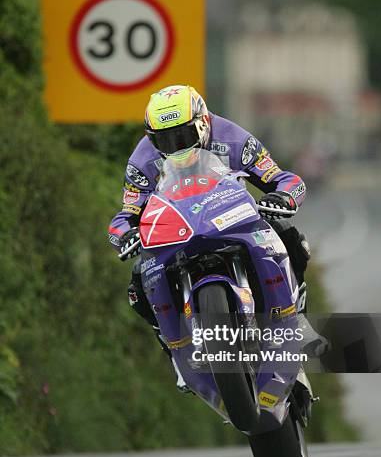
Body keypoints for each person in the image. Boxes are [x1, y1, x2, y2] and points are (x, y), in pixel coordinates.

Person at [108, 85, 317, 386]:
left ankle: (298, 317)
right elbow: (126, 214)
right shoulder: (141, 162)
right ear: (152, 139)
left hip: (233, 220)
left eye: (184, 136)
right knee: (138, 284)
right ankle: (175, 352)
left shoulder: (235, 139)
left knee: (288, 235)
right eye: (165, 140)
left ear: (203, 123)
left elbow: (285, 179)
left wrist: (283, 198)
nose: (176, 147)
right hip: (177, 232)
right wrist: (124, 235)